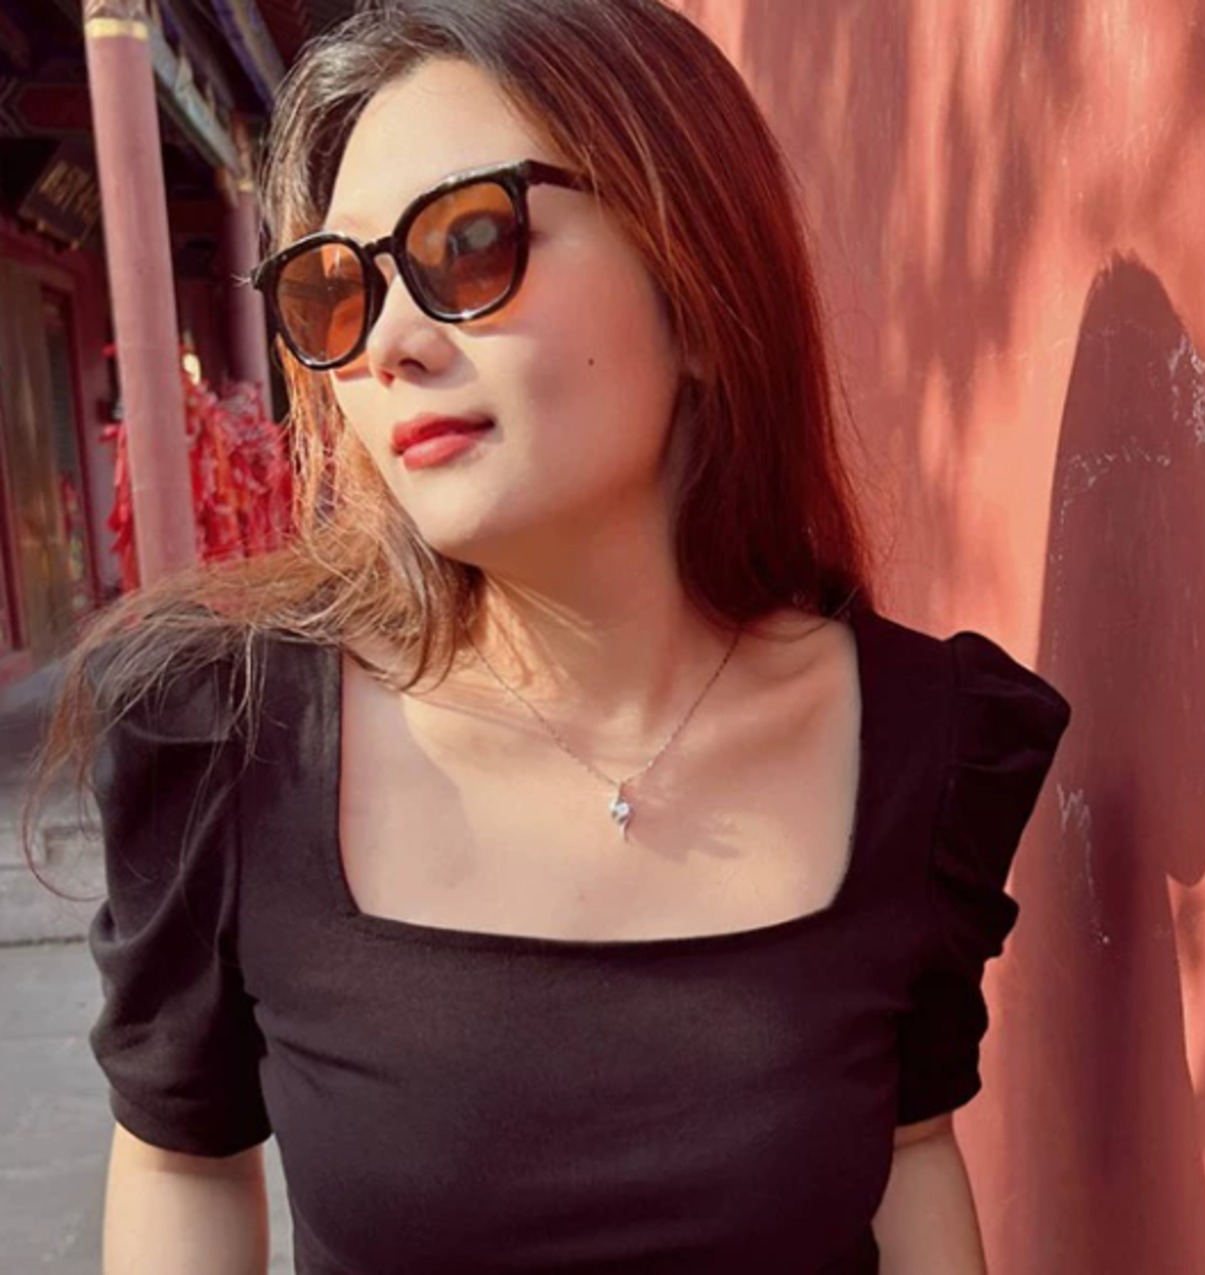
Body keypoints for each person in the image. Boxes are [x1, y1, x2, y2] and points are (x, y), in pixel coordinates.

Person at [32, 1, 1071, 1271]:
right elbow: (182, 1158)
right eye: (335, 292)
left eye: (466, 243)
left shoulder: (923, 748)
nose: (387, 347)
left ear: (696, 280)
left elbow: (908, 1153)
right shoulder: (228, 741)